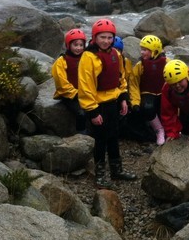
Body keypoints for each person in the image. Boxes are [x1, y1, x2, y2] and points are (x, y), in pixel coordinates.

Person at [78, 18, 137, 188]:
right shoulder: (88, 58)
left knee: (113, 137)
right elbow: (85, 87)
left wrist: (123, 98)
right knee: (100, 140)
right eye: (102, 37)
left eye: (109, 37)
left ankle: (116, 171)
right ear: (95, 38)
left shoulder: (116, 54)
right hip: (98, 106)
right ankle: (100, 176)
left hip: (113, 102)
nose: (106, 41)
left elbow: (120, 78)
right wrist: (93, 112)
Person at [129, 35, 167, 145]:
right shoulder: (140, 66)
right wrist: (135, 102)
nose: (142, 52)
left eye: (145, 50)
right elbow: (134, 85)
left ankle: (170, 127)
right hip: (147, 94)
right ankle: (159, 130)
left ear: (154, 51)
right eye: (142, 49)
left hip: (163, 93)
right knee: (147, 107)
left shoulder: (167, 62)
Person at [51, 28, 87, 133]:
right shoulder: (61, 61)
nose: (79, 48)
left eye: (81, 45)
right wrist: (76, 93)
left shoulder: (86, 59)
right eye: (75, 45)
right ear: (68, 45)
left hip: (84, 92)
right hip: (69, 95)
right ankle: (82, 135)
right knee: (81, 113)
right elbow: (61, 84)